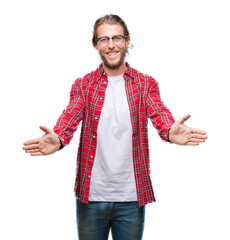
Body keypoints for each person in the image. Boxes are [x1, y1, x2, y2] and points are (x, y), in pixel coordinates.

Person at [23, 14, 207, 240]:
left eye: (117, 38)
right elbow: (70, 116)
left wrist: (170, 131)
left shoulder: (145, 83)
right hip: (91, 197)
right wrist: (59, 138)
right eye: (104, 39)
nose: (111, 45)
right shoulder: (83, 85)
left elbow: (159, 112)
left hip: (131, 197)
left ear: (127, 41)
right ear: (96, 44)